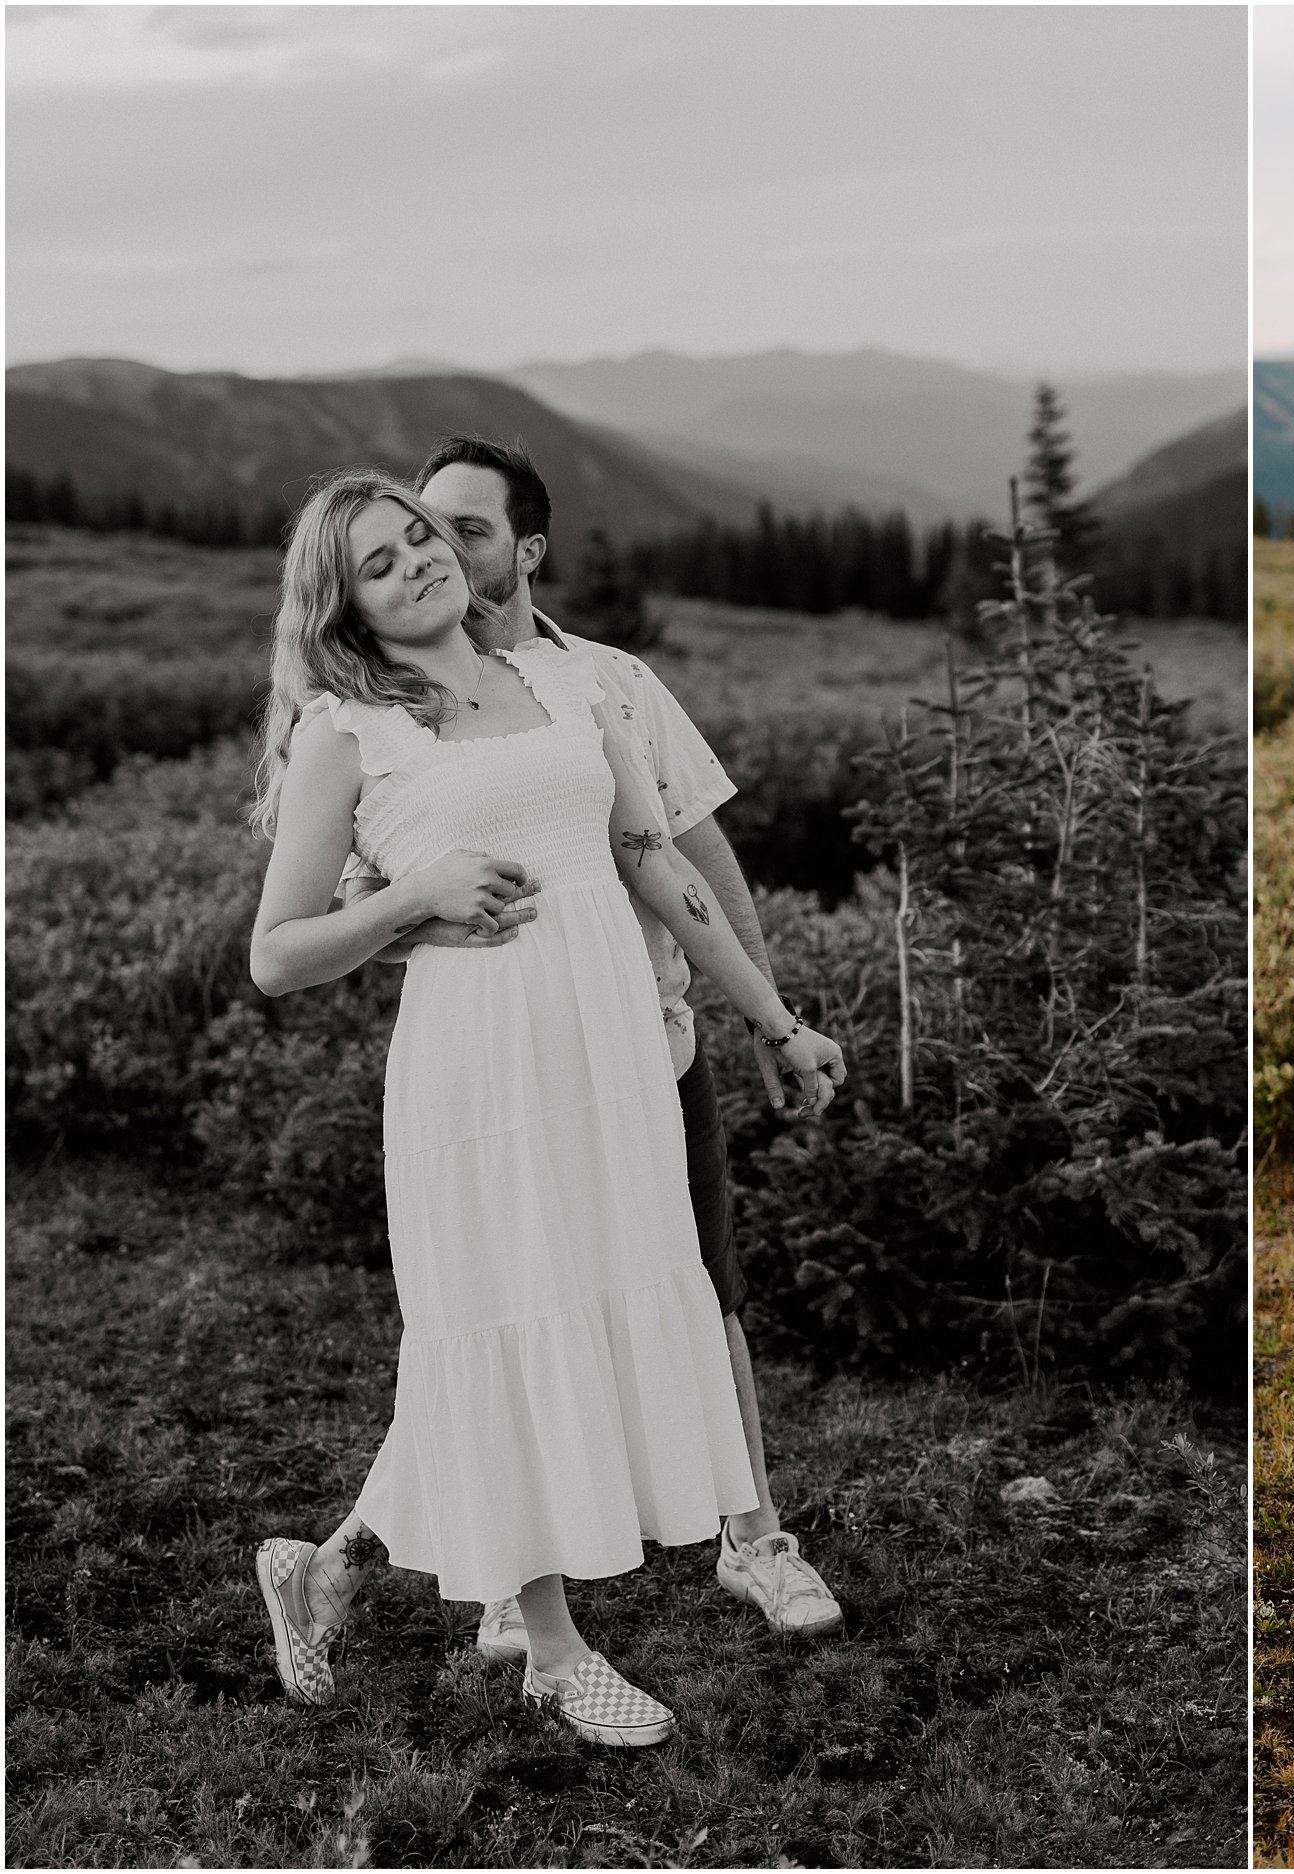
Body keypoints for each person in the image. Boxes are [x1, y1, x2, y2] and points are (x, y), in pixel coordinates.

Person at [247, 470, 847, 1746]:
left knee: (604, 1290)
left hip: (611, 1045)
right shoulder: (347, 729)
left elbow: (652, 859)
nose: (417, 561)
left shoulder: (568, 685)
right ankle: (552, 1649)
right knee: (507, 1318)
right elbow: (280, 949)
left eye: (419, 536)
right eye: (377, 561)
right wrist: (419, 895)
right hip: (479, 1065)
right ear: (341, 606)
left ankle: (323, 1570)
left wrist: (774, 1017)